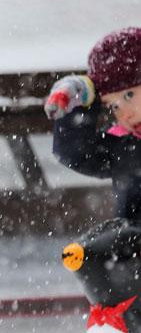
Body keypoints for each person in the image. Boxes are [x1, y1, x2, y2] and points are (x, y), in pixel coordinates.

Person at [45, 27, 141, 223]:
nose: (124, 113)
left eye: (129, 95)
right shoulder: (124, 145)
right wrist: (79, 100)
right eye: (113, 106)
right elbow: (76, 153)